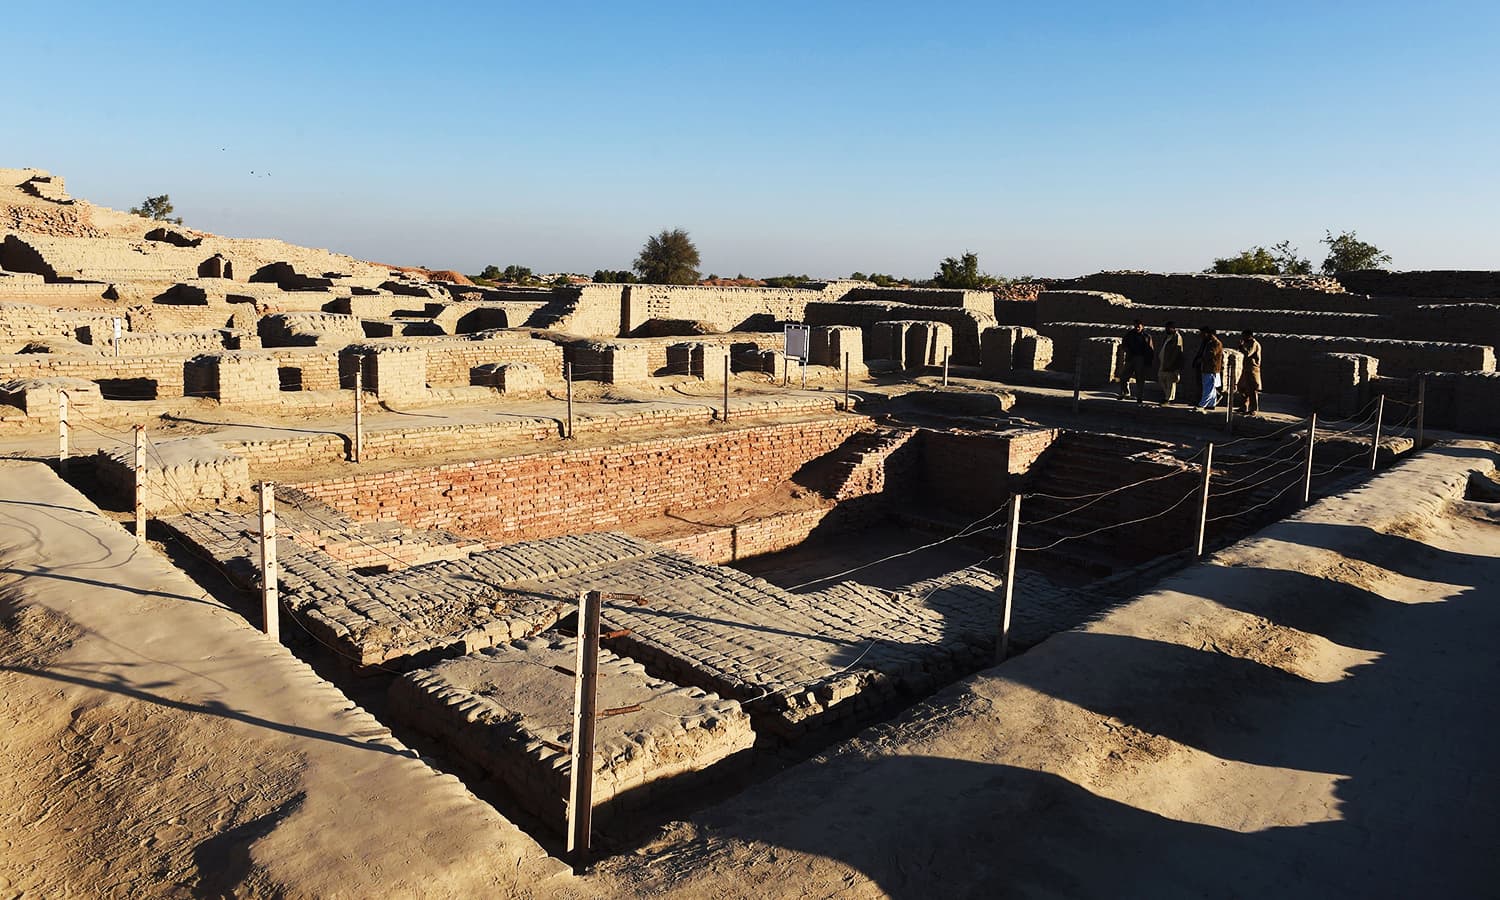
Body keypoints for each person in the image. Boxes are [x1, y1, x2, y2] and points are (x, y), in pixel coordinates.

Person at [1117, 319, 1155, 402]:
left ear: (1142, 327)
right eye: (1136, 326)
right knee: (1124, 376)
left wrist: (1148, 361)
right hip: (1130, 358)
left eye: (1139, 326)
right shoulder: (1130, 334)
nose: (1137, 328)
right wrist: (1127, 350)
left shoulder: (1147, 336)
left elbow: (1150, 349)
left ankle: (1139, 396)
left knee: (1140, 379)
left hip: (1141, 359)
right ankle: (1125, 393)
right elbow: (1124, 344)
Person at [1193, 327, 1224, 410]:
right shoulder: (1207, 342)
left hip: (1211, 369)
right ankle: (1211, 404)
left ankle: (1202, 404)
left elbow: (1211, 354)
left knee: (1208, 387)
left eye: (1203, 333)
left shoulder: (1216, 343)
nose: (1201, 335)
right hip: (1206, 368)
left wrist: (1201, 359)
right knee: (1211, 388)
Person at [1157, 321, 1184, 404]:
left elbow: (1177, 352)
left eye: (1168, 328)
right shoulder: (1167, 337)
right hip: (1164, 362)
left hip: (1171, 364)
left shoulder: (1177, 337)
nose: (1167, 329)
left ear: (1173, 328)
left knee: (1170, 382)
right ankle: (1167, 396)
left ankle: (1168, 399)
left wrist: (1172, 364)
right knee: (1161, 379)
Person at [1237, 330, 1263, 415]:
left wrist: (1241, 347)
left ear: (1249, 336)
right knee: (1242, 388)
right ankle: (1244, 406)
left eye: (1244, 336)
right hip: (1245, 369)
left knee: (1252, 389)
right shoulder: (1247, 343)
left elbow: (1247, 353)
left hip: (1252, 370)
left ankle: (1253, 409)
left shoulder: (1254, 344)